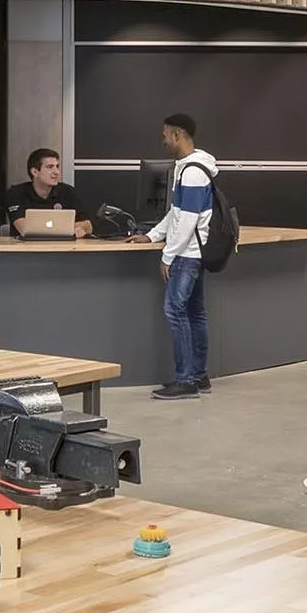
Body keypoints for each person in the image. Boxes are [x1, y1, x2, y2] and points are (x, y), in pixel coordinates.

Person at [134, 113, 219, 400]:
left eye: (165, 135)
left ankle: (185, 380)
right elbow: (176, 213)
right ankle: (198, 376)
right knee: (195, 313)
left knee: (175, 310)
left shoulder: (193, 171)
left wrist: (167, 256)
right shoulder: (188, 167)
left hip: (188, 255)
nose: (163, 140)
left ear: (178, 135)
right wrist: (152, 236)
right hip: (190, 252)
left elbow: (188, 220)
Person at [2, 147, 90, 236]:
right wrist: (66, 228)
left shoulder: (68, 191)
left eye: (57, 166)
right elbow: (24, 228)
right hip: (25, 247)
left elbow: (88, 225)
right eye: (50, 167)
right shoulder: (16, 193)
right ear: (35, 172)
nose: (56, 172)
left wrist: (81, 228)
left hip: (61, 247)